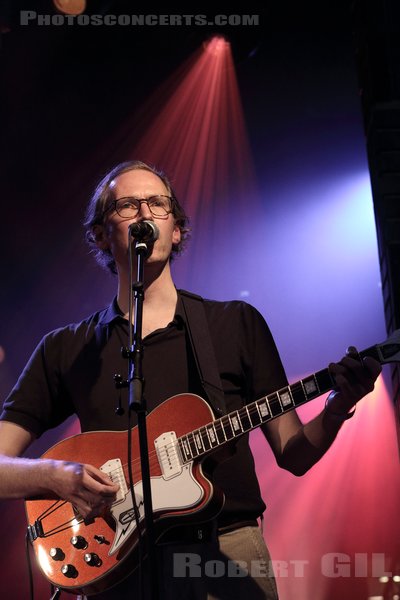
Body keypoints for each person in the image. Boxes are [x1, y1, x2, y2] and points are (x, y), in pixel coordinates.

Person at [0, 160, 381, 600]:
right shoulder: (66, 348)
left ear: (176, 229)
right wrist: (56, 476)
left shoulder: (234, 324)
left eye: (157, 204)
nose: (145, 214)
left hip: (226, 550)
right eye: (127, 205)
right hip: (118, 564)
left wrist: (336, 407)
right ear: (102, 234)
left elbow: (293, 454)